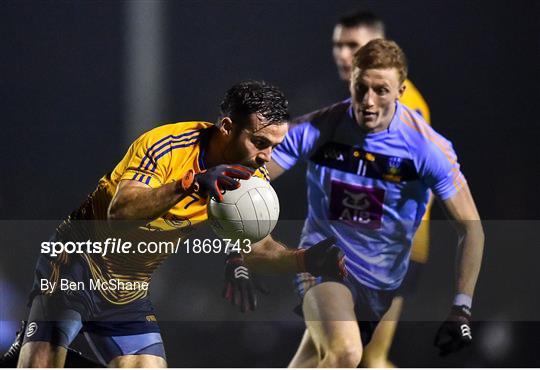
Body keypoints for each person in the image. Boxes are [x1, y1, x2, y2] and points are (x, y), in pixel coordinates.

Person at [10, 80, 345, 368]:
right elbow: (120, 211)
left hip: (128, 291)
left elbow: (259, 249)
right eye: (259, 143)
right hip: (75, 267)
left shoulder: (249, 180)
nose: (267, 158)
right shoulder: (167, 146)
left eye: (275, 146)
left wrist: (304, 259)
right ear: (227, 127)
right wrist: (190, 184)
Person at [265, 39, 484, 367]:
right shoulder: (322, 127)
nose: (368, 101)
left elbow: (472, 230)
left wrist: (461, 307)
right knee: (348, 353)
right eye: (361, 88)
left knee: (322, 361)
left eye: (381, 90)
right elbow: (254, 175)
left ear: (401, 90)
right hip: (326, 266)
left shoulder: (426, 148)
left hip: (383, 284)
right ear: (350, 82)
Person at [331, 10, 433, 367]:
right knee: (362, 357)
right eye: (339, 46)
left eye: (354, 46)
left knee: (358, 357)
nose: (345, 55)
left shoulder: (402, 106)